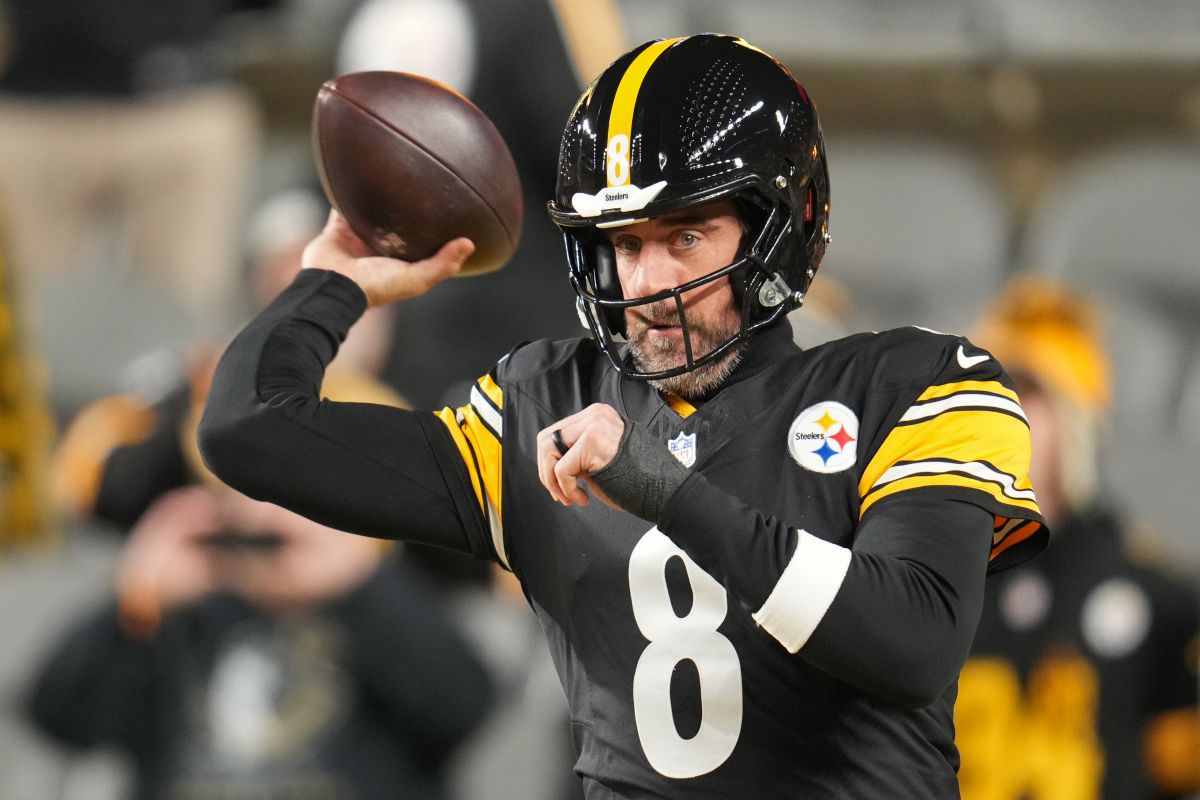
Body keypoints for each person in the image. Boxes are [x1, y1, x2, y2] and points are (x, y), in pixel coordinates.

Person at [199, 34, 1049, 797]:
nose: (645, 284)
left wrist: (659, 486)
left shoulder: (917, 384)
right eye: (624, 243)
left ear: (783, 227)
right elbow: (250, 429)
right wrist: (332, 284)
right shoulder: (546, 401)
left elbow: (911, 643)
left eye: (685, 238)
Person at [26, 482, 494, 800]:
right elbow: (59, 718)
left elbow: (464, 708)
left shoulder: (372, 597)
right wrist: (136, 603)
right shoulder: (182, 606)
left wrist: (357, 581)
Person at [955, 277, 1200, 800]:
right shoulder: (921, 569)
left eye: (1027, 392)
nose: (1004, 413)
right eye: (988, 391)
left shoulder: (1153, 591)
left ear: (1077, 425)